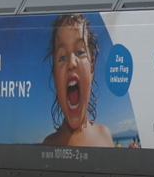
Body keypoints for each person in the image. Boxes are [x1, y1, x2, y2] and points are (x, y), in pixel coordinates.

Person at [43, 14, 113, 147]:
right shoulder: (49, 144)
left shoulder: (104, 135)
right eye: (62, 58)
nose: (71, 63)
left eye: (80, 52)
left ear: (92, 67)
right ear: (55, 77)